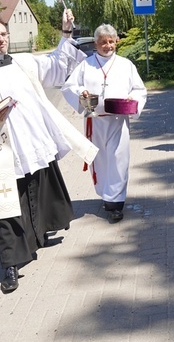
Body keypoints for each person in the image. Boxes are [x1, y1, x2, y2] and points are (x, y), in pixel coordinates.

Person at [0, 11, 98, 294]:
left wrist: (66, 33)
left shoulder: (25, 62)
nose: (0, 39)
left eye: (3, 34)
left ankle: (38, 236)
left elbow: (57, 64)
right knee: (8, 206)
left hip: (33, 143)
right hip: (3, 149)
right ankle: (10, 263)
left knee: (37, 189)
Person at [61, 24, 147, 223]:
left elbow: (139, 90)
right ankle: (105, 193)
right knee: (99, 160)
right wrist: (81, 93)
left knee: (118, 159)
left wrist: (130, 100)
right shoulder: (86, 64)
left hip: (118, 120)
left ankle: (115, 203)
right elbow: (69, 86)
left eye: (110, 41)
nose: (107, 46)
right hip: (95, 121)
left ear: (116, 41)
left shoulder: (126, 65)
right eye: (102, 42)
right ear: (96, 43)